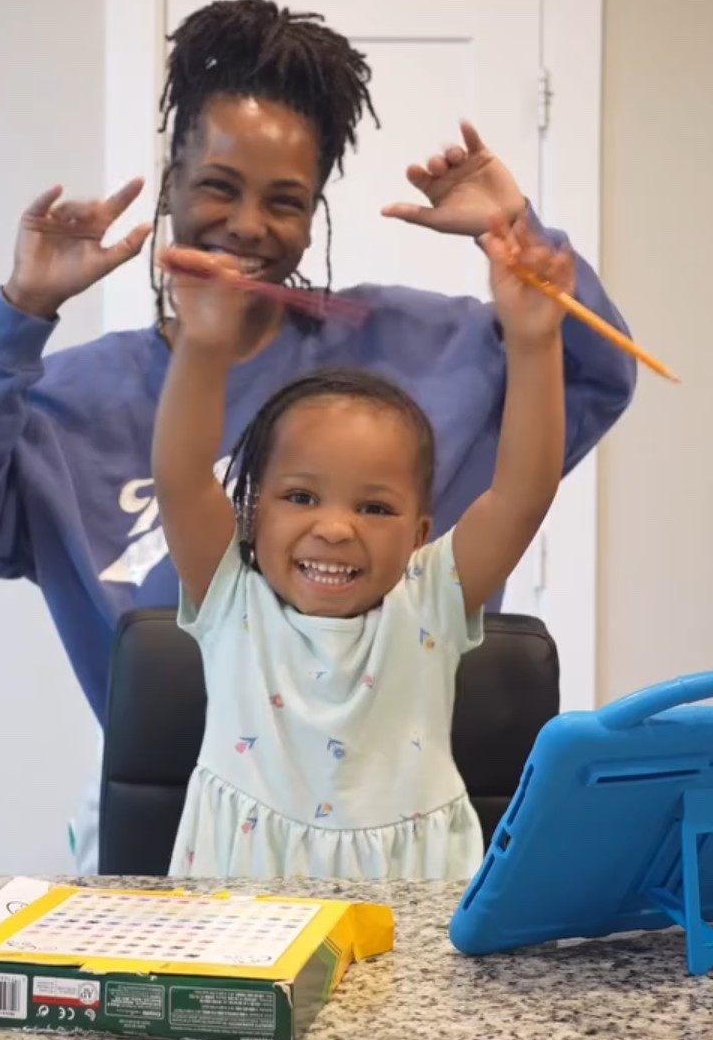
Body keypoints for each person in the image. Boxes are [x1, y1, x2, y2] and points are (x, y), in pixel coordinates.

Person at [0, 0, 636, 870]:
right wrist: (21, 313)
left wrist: (525, 247)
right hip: (184, 828)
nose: (248, 225)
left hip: (397, 840)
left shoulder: (416, 348)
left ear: (315, 208)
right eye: (217, 187)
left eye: (284, 200)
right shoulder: (67, 402)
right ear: (169, 185)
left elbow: (590, 379)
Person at [153, 226, 570, 881]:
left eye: (375, 508)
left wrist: (534, 339)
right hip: (240, 907)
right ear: (252, 512)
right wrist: (205, 346)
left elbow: (523, 494)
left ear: (418, 531)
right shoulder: (230, 592)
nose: (337, 529)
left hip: (413, 898)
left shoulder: (431, 597)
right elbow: (179, 478)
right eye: (300, 496)